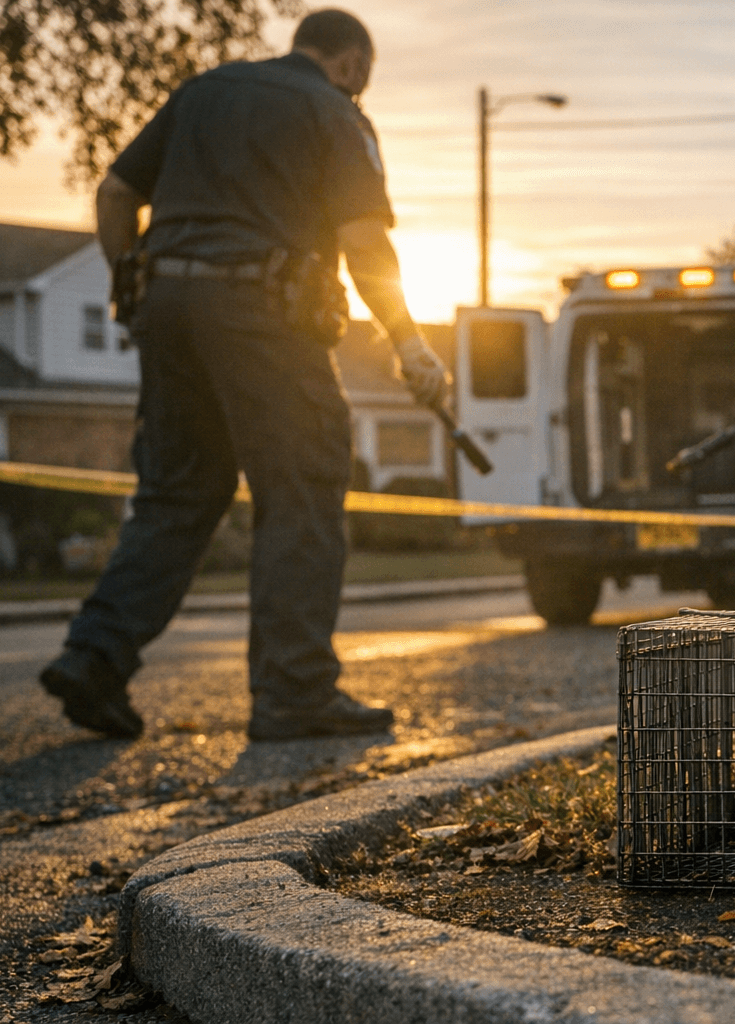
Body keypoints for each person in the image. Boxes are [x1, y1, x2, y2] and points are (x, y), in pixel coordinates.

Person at [38, 9, 451, 742]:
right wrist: (410, 346)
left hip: (166, 307)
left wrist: (134, 283)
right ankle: (294, 690)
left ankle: (94, 657)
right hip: (263, 311)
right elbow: (364, 243)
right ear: (353, 65)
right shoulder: (335, 111)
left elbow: (113, 197)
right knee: (302, 483)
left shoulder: (204, 91)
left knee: (177, 494)